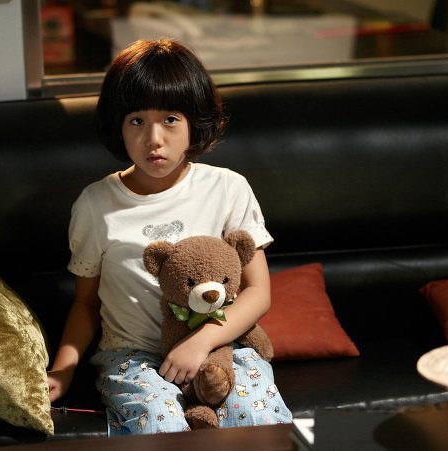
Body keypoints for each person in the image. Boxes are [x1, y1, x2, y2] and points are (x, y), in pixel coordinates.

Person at [47, 38, 292, 435]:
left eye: (171, 119)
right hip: (132, 356)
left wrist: (201, 343)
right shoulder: (95, 204)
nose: (154, 139)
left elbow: (258, 292)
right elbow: (86, 303)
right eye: (137, 121)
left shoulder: (228, 188)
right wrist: (63, 370)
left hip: (221, 347)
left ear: (194, 122)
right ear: (118, 126)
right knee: (162, 425)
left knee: (254, 417)